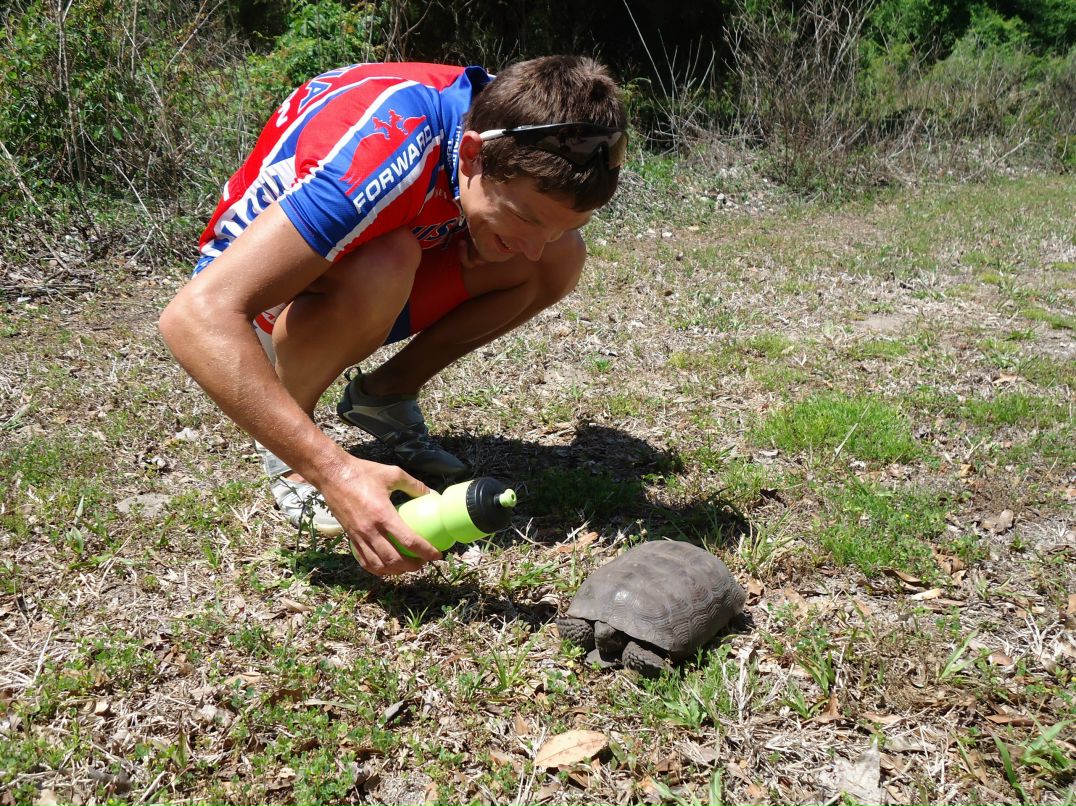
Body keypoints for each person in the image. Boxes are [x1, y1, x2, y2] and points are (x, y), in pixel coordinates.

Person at [159, 56, 627, 577]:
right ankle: (293, 457)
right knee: (388, 262)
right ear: (472, 155)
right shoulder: (384, 147)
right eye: (525, 219)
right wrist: (335, 473)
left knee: (563, 259)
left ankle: (384, 397)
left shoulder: (522, 123)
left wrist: (494, 228)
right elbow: (196, 315)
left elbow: (530, 231)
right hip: (267, 293)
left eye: (559, 224)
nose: (533, 248)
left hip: (377, 248)